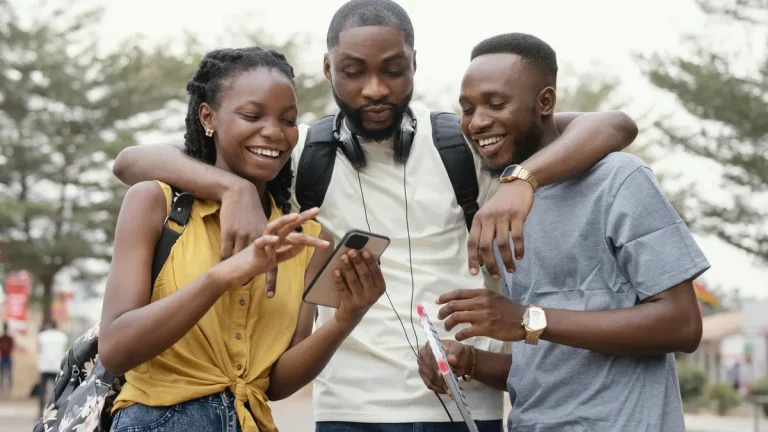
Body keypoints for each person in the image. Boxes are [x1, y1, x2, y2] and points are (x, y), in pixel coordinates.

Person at [110, 1, 638, 430]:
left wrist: (522, 181)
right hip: (347, 410)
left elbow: (613, 125)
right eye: (353, 71)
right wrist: (229, 186)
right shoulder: (300, 158)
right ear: (328, 69)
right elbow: (132, 161)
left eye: (393, 69)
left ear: (414, 63)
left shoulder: (468, 142)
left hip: (462, 402)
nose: (376, 89)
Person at [418, 33, 710, 432]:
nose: (477, 121)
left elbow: (682, 325)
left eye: (496, 103)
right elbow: (549, 364)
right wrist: (469, 362)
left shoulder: (618, 179)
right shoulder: (503, 201)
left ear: (545, 102)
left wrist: (525, 319)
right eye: (467, 109)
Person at [99, 46, 385, 432]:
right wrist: (222, 276)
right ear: (208, 117)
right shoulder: (157, 204)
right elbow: (115, 351)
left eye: (288, 120)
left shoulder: (306, 238)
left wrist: (347, 318)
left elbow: (276, 383)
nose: (273, 132)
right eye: (252, 115)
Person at [37, 320, 69, 413]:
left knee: (42, 391)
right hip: (57, 367)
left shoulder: (42, 336)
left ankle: (40, 412)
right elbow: (65, 350)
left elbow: (39, 350)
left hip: (44, 366)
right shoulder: (62, 336)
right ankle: (57, 412)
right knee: (58, 391)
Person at [0, 322, 15, 392]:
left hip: (7, 356)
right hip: (3, 356)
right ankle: (2, 386)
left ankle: (9, 386)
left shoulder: (9, 338)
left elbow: (11, 347)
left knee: (9, 373)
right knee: (2, 373)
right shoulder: (2, 338)